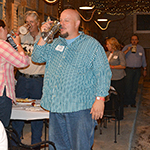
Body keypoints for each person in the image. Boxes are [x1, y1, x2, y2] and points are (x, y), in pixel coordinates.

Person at [32, 8, 112, 150]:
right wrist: (44, 35)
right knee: (57, 147)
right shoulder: (54, 43)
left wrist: (100, 99)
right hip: (56, 107)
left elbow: (103, 72)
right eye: (60, 20)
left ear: (77, 23)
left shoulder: (91, 45)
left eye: (66, 20)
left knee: (80, 146)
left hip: (80, 109)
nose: (61, 24)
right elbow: (37, 57)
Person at [12, 11, 45, 145]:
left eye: (32, 22)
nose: (29, 24)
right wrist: (15, 37)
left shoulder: (44, 38)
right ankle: (15, 143)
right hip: (23, 78)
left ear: (37, 23)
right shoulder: (21, 37)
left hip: (38, 79)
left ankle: (36, 144)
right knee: (18, 113)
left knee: (37, 114)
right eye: (27, 21)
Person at [122, 34, 147, 108]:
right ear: (130, 40)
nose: (134, 41)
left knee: (134, 87)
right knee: (128, 86)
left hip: (137, 70)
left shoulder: (141, 48)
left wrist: (145, 69)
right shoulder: (127, 47)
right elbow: (121, 55)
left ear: (138, 41)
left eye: (135, 39)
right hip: (129, 69)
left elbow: (143, 59)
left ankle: (132, 101)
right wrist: (127, 50)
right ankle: (126, 102)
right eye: (132, 39)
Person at [106, 37, 126, 120]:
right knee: (109, 98)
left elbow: (123, 65)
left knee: (118, 98)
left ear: (113, 45)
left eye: (108, 44)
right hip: (109, 79)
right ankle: (109, 114)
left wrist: (112, 66)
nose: (106, 46)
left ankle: (119, 116)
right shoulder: (107, 53)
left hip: (118, 79)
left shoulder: (120, 53)